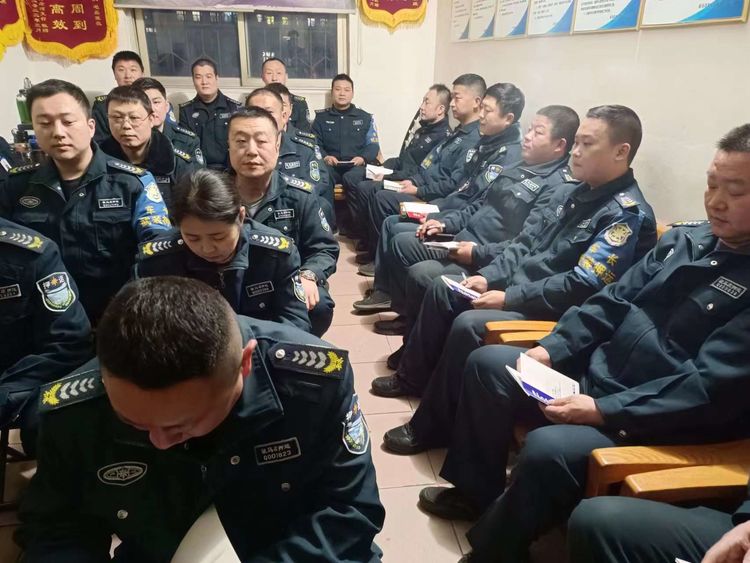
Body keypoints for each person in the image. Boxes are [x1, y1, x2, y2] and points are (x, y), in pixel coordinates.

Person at [408, 123, 750, 563]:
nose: (715, 201)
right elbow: (612, 299)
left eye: (735, 191)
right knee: (490, 364)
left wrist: (604, 409)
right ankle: (475, 494)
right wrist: (553, 348)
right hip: (597, 373)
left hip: (651, 414)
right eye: (711, 185)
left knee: (548, 449)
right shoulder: (687, 239)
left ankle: (497, 549)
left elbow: (705, 388)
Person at [14, 276, 385, 561]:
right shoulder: (75, 413)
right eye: (134, 423)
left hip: (300, 551)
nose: (159, 441)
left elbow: (349, 510)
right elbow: (58, 528)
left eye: (181, 425)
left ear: (244, 364)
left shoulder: (312, 384)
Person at [373, 105, 655, 401]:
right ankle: (414, 378)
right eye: (576, 143)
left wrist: (510, 297)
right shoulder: (571, 192)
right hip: (517, 286)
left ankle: (436, 413)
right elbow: (524, 242)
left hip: (550, 309)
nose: (575, 152)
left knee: (468, 325)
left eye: (587, 144)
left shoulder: (624, 216)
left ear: (620, 152)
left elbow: (579, 286)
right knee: (444, 289)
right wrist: (488, 277)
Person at [0, 79, 171, 324]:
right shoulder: (16, 186)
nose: (58, 132)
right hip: (42, 321)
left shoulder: (133, 182)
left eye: (68, 122)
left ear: (91, 126)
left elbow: (156, 251)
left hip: (118, 315)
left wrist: (130, 306)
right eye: (45, 123)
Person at [354, 83, 525, 323]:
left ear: (508, 118)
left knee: (397, 228)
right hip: (451, 212)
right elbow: (463, 190)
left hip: (463, 229)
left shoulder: (508, 157)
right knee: (391, 221)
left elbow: (470, 200)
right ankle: (388, 293)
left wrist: (438, 214)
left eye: (487, 110)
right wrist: (434, 206)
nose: (482, 115)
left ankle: (397, 302)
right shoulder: (484, 142)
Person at [136, 169, 311, 332]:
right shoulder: (158, 260)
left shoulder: (274, 254)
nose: (207, 248)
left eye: (218, 237)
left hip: (258, 347)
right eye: (193, 238)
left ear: (240, 217)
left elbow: (295, 322)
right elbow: (143, 324)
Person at [355, 74, 486, 272]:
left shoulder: (472, 140)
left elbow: (453, 184)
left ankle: (379, 260)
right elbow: (428, 165)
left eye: (457, 98)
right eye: (452, 98)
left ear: (476, 102)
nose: (451, 104)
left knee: (381, 197)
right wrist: (413, 181)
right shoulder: (458, 133)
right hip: (423, 188)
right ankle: (377, 254)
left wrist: (419, 190)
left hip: (435, 199)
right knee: (374, 189)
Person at [229, 106, 339, 337]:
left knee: (318, 305)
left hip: (282, 286)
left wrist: (308, 275)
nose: (251, 151)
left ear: (277, 145)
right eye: (241, 142)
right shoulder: (213, 195)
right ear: (229, 146)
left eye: (261, 141)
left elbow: (324, 249)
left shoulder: (299, 196)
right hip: (229, 286)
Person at [0, 218, 92, 455]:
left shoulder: (30, 255)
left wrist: (5, 393)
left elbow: (68, 342)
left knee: (48, 425)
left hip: (11, 378)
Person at [340, 84, 453, 244]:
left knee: (366, 188)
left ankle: (370, 241)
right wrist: (384, 167)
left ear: (440, 109)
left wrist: (389, 176)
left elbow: (418, 172)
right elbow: (404, 159)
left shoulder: (442, 137)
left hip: (408, 181)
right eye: (422, 101)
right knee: (351, 177)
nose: (421, 107)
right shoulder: (424, 129)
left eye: (427, 102)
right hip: (399, 171)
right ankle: (361, 232)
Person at [246, 86, 335, 226]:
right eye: (255, 112)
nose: (262, 118)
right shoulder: (239, 149)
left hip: (294, 207)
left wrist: (284, 203)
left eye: (269, 112)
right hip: (253, 209)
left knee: (322, 205)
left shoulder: (304, 146)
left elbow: (317, 183)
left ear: (284, 115)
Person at [100, 86, 201, 208]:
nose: (126, 125)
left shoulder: (177, 164)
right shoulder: (97, 162)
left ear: (151, 119)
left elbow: (192, 212)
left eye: (134, 118)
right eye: (117, 118)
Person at [312, 73, 380, 187]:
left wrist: (362, 158)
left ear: (352, 93)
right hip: (330, 166)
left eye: (347, 90)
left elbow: (373, 145)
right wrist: (325, 157)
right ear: (332, 92)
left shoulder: (365, 118)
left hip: (357, 166)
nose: (342, 93)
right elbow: (314, 144)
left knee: (352, 177)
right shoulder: (321, 118)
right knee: (323, 175)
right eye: (338, 89)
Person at [179, 57, 241, 170]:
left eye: (208, 76)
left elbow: (239, 144)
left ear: (217, 78)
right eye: (198, 77)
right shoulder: (186, 111)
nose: (204, 82)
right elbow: (186, 147)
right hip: (199, 171)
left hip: (230, 170)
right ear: (193, 80)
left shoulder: (234, 108)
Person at [133, 77, 205, 166]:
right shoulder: (127, 140)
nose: (152, 109)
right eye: (145, 103)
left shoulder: (188, 141)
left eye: (156, 102)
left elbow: (199, 173)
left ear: (167, 106)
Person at [92, 51, 145, 144]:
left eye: (133, 70)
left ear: (142, 73)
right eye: (121, 70)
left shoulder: (155, 101)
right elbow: (99, 143)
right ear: (114, 74)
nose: (128, 76)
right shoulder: (102, 107)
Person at [261, 56, 311, 132]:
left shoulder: (299, 103)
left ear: (286, 77)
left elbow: (304, 132)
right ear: (262, 77)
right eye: (269, 73)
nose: (274, 78)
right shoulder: (256, 101)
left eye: (279, 73)